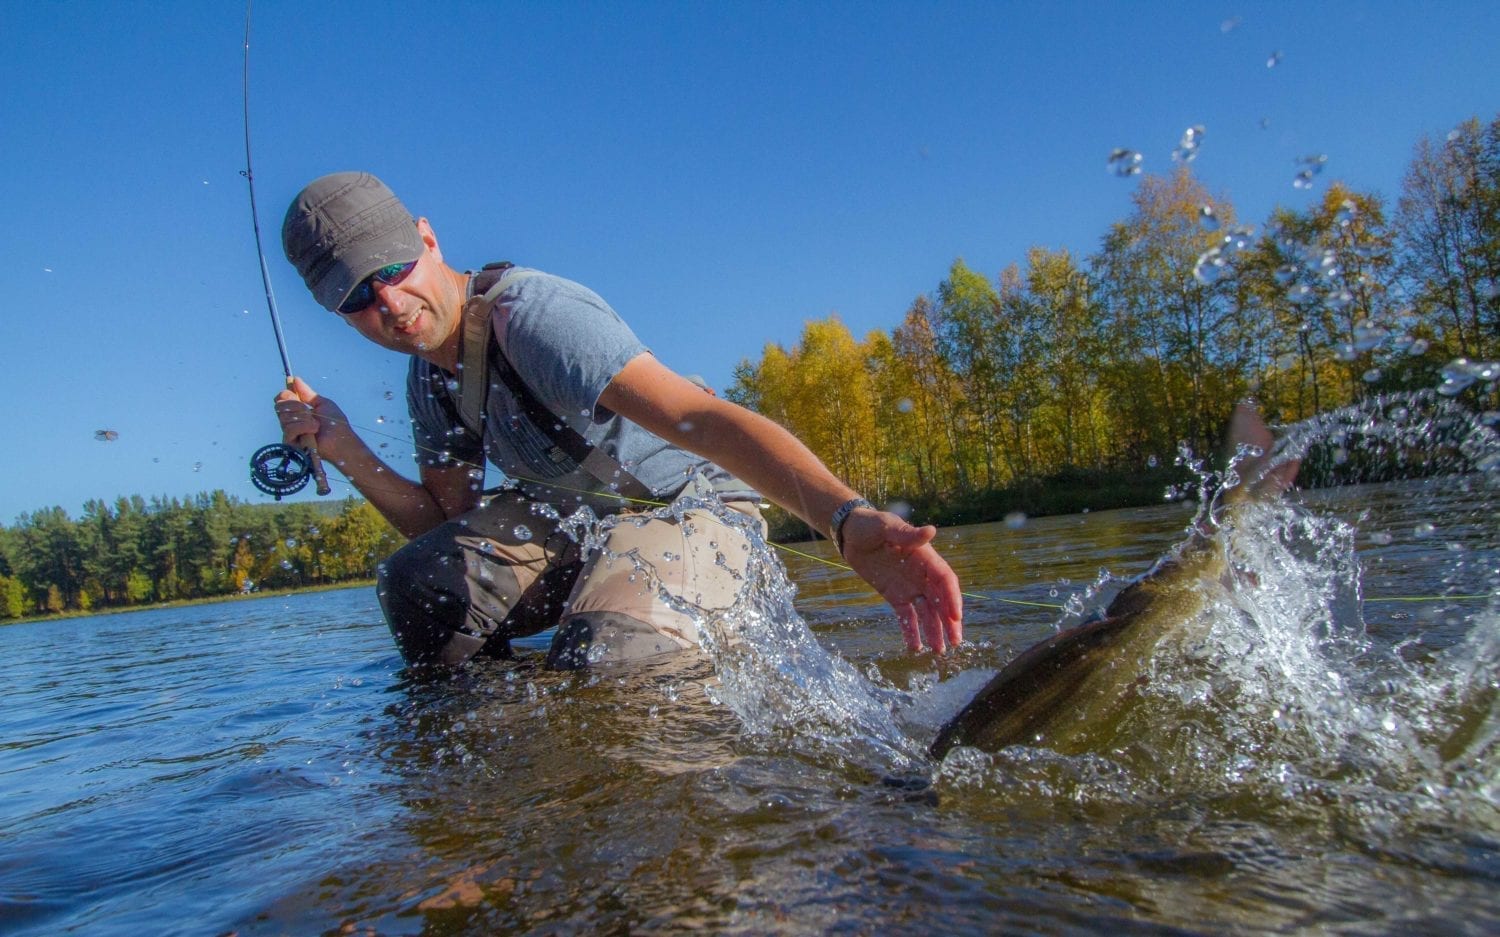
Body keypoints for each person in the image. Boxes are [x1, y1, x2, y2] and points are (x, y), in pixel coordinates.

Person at [275, 171, 963, 670]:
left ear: (427, 238)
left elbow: (706, 418)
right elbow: (444, 524)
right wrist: (343, 448)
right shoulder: (428, 379)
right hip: (580, 523)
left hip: (698, 508)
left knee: (605, 651)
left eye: (393, 269)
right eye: (358, 297)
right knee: (417, 586)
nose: (390, 303)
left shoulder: (536, 319)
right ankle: (498, 774)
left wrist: (845, 519)